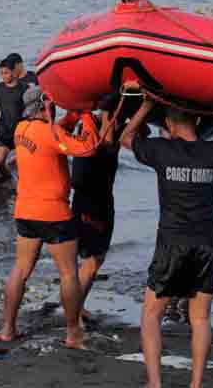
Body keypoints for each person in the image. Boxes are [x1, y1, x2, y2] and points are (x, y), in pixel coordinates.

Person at [120, 87, 213, 388]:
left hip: (171, 242)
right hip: (206, 243)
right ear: (196, 121)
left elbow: (126, 139)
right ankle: (196, 384)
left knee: (151, 316)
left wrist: (144, 106)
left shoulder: (161, 150)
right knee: (200, 319)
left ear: (169, 125)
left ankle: (155, 384)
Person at [0, 85, 99, 349]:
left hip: (25, 212)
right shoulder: (50, 132)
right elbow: (86, 148)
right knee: (68, 274)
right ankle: (73, 334)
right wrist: (86, 116)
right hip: (54, 213)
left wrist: (71, 117)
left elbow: (54, 133)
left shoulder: (21, 129)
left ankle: (7, 328)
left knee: (20, 270)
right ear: (44, 106)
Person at [71, 93, 123, 326]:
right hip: (90, 204)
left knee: (97, 259)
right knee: (90, 263)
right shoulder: (92, 136)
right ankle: (72, 315)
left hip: (102, 202)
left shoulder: (101, 130)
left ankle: (78, 307)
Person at [0, 58, 27, 177]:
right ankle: (10, 180)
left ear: (14, 72)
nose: (3, 76)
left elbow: (31, 111)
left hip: (20, 133)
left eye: (6, 73)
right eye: (1, 73)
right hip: (4, 132)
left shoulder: (24, 88)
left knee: (23, 166)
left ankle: (22, 187)